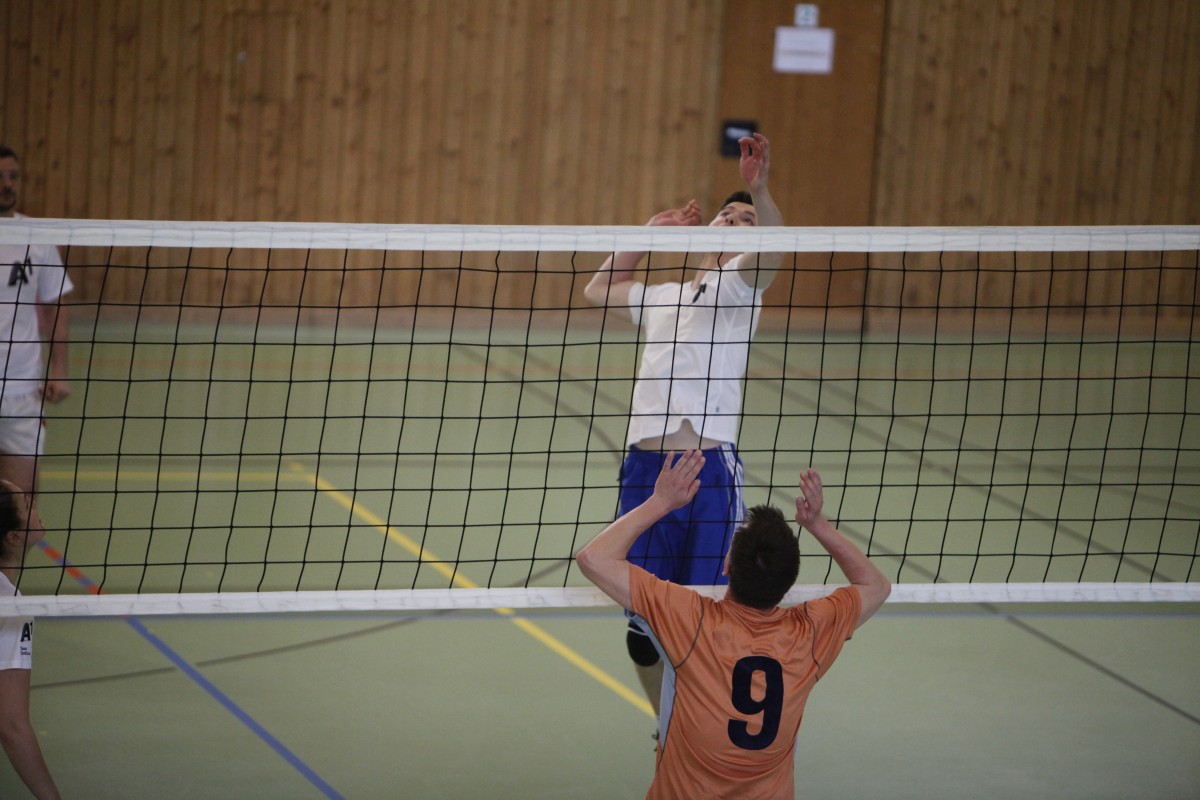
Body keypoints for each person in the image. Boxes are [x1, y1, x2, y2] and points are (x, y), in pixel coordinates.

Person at [582, 133, 783, 714]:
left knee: (708, 619)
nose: (736, 222)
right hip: (646, 471)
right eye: (727, 216)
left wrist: (760, 190)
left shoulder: (743, 288)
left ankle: (704, 725)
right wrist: (647, 236)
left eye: (747, 220)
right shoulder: (663, 296)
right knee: (644, 628)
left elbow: (774, 250)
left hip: (708, 472)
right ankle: (665, 726)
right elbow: (598, 288)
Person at [577, 452, 890, 799]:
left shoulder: (690, 620)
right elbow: (876, 586)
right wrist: (819, 525)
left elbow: (594, 558)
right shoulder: (810, 634)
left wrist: (661, 502)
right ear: (789, 583)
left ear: (726, 566)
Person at [0, 144, 72, 497]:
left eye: (13, 176)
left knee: (21, 505)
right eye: (0, 177)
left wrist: (60, 370)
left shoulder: (36, 235)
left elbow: (56, 303)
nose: (7, 184)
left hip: (22, 391)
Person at [0, 480, 61, 799]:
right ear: (13, 537)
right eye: (26, 503)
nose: (35, 503)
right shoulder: (10, 607)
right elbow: (12, 726)